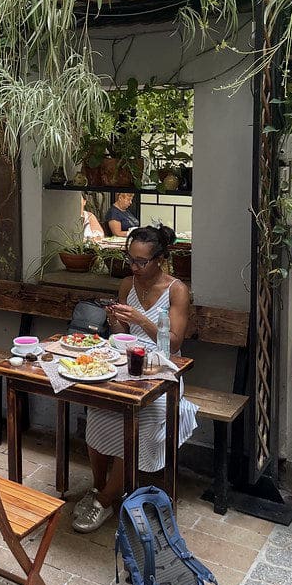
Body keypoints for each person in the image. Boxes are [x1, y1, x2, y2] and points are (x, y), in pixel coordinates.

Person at [73, 224, 197, 533]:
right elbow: (122, 337)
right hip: (128, 365)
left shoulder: (176, 290)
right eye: (131, 259)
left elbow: (176, 343)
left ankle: (103, 499)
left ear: (159, 259)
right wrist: (116, 321)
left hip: (163, 371)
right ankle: (102, 489)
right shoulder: (127, 284)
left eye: (142, 261)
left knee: (140, 420)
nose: (134, 267)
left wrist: (142, 319)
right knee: (99, 412)